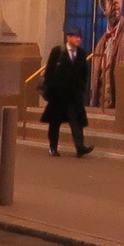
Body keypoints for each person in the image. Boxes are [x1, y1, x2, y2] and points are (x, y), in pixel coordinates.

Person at [42, 27, 93, 157]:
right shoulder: (58, 51)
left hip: (74, 95)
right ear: (68, 37)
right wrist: (50, 89)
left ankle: (80, 147)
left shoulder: (81, 53)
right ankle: (53, 147)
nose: (78, 39)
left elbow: (84, 73)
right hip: (58, 95)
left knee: (76, 121)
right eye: (76, 37)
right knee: (55, 122)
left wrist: (81, 88)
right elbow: (49, 72)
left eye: (79, 37)